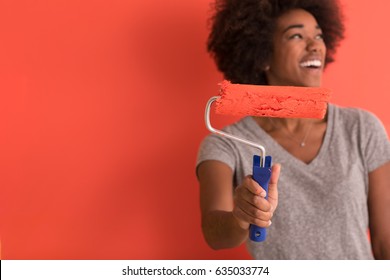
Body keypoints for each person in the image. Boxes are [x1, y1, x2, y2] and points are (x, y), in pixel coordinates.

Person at [196, 0, 390, 259]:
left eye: (319, 35)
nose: (315, 46)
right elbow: (215, 234)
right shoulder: (227, 144)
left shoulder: (361, 128)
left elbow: (385, 240)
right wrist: (241, 216)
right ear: (263, 55)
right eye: (297, 35)